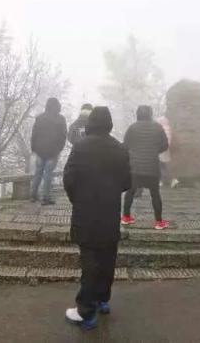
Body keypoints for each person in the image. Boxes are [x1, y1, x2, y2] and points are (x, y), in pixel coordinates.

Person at [63, 106, 132, 330]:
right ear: (109, 124)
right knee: (107, 258)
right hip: (109, 212)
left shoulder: (80, 147)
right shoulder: (120, 149)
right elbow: (127, 182)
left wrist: (78, 199)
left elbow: (69, 179)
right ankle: (103, 299)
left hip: (86, 212)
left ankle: (85, 311)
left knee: (90, 261)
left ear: (90, 123)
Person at [121, 105, 170, 230]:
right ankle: (158, 222)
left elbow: (125, 145)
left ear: (138, 114)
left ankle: (126, 217)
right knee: (155, 194)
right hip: (152, 167)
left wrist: (134, 152)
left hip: (135, 167)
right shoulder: (158, 127)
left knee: (130, 192)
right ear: (150, 114)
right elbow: (165, 145)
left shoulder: (132, 127)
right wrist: (155, 150)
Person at [30, 97, 67, 205]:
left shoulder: (40, 118)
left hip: (39, 150)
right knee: (48, 174)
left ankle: (33, 195)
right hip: (53, 151)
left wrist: (34, 148)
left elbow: (34, 135)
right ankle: (46, 197)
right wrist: (59, 149)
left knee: (38, 172)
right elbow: (63, 135)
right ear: (57, 106)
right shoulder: (60, 119)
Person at [157, 115, 175, 188]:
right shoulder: (166, 128)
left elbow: (167, 140)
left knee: (162, 166)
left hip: (163, 150)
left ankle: (167, 180)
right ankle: (168, 180)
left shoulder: (164, 129)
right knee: (163, 166)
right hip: (164, 150)